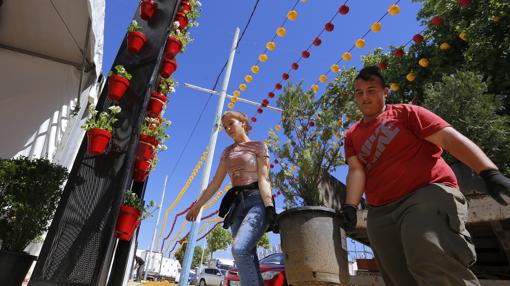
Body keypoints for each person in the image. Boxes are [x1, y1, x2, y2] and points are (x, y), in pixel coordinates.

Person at [340, 66, 510, 286]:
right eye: (359, 92)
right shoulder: (352, 135)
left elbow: (449, 139)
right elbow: (356, 170)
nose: (364, 97)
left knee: (429, 259)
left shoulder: (406, 113)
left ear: (385, 92)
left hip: (425, 194)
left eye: (371, 90)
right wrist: (350, 206)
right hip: (380, 212)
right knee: (398, 278)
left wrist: (488, 171)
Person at [186, 110, 277, 286]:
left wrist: (269, 207)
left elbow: (264, 178)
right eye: (225, 126)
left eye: (231, 123)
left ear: (243, 122)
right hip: (237, 206)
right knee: (249, 256)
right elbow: (215, 183)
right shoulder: (227, 152)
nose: (227, 129)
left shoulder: (259, 146)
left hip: (257, 201)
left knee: (239, 249)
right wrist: (197, 206)